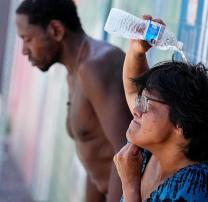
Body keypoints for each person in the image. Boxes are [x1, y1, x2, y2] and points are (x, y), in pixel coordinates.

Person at [15, 0, 132, 201]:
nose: (24, 51)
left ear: (56, 30)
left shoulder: (95, 67)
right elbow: (96, 152)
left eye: (28, 39)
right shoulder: (77, 70)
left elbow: (127, 150)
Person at [113, 16, 208, 202]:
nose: (136, 110)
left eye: (145, 103)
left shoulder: (198, 187)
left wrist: (130, 187)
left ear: (180, 123)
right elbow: (132, 89)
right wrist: (137, 50)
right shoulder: (154, 152)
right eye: (141, 100)